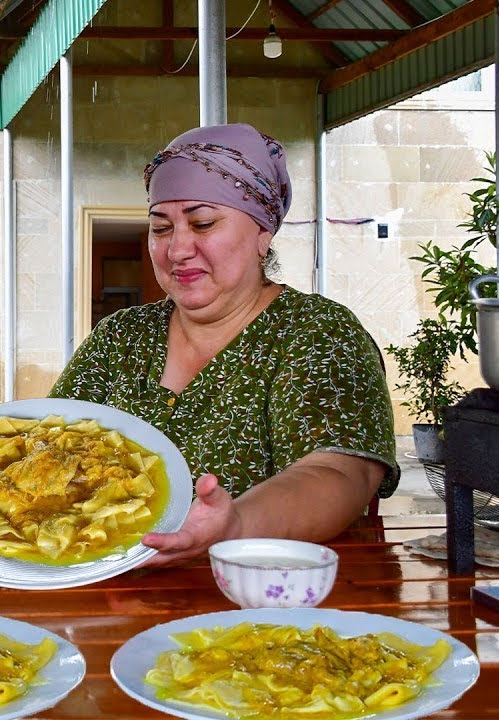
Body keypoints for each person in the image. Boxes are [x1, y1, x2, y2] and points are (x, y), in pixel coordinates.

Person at [50, 123, 398, 567]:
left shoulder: (316, 332)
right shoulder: (122, 336)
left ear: (262, 233)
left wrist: (234, 526)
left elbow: (337, 472)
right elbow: (50, 446)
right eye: (161, 229)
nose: (177, 249)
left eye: (203, 223)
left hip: (257, 609)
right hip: (111, 593)